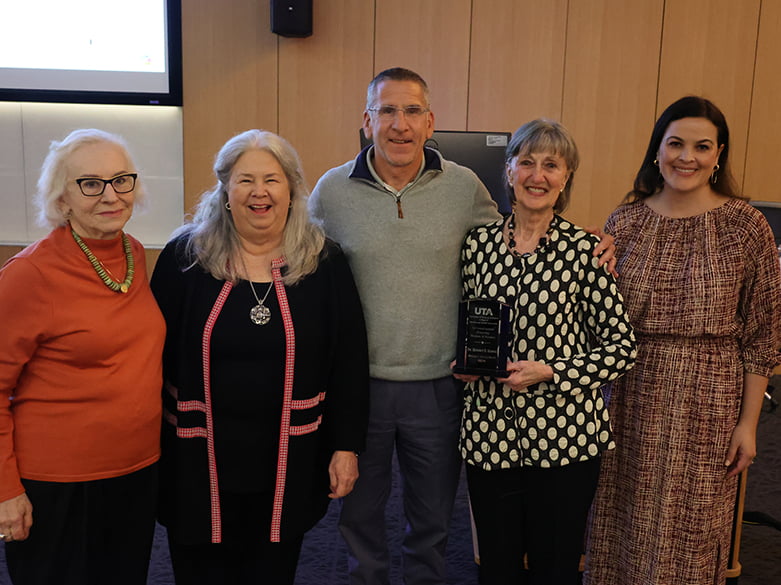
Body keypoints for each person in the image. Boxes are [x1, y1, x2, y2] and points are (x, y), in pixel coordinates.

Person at [308, 67, 617, 585]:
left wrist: (589, 239)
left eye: (411, 112)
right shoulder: (330, 192)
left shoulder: (463, 187)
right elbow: (304, 268)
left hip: (442, 388)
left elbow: (519, 230)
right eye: (387, 111)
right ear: (367, 121)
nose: (399, 125)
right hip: (360, 389)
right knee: (359, 519)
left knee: (431, 523)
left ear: (431, 122)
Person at [150, 129, 369, 585]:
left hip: (288, 457)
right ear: (225, 191)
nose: (259, 192)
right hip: (196, 458)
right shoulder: (184, 258)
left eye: (272, 179)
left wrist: (345, 446)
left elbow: (348, 360)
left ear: (291, 189)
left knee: (272, 572)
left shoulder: (324, 262)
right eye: (245, 180)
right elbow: (150, 356)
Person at [585, 96, 781, 585]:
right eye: (675, 143)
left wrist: (749, 425)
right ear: (657, 150)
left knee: (692, 531)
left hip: (709, 398)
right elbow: (596, 315)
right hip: (628, 393)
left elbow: (762, 335)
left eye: (702, 146)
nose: (686, 157)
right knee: (619, 522)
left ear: (719, 155)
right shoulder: (625, 222)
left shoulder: (745, 226)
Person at [453, 119, 636, 585]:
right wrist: (466, 363)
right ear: (509, 170)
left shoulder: (586, 252)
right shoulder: (477, 246)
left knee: (555, 568)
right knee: (496, 565)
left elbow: (622, 348)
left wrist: (550, 371)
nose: (538, 175)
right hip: (489, 434)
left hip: (566, 441)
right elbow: (469, 322)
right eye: (527, 162)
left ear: (567, 176)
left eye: (551, 165)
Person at [0, 129, 165, 585]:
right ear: (62, 198)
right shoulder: (29, 275)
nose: (110, 195)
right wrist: (5, 490)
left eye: (121, 180)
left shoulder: (132, 254)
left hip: (135, 471)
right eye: (90, 183)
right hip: (57, 484)